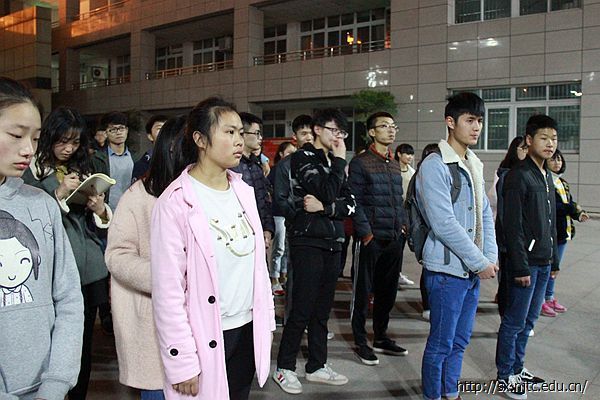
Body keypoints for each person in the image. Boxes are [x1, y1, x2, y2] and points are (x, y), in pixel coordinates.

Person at [151, 98, 275, 400]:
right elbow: (168, 291)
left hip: (247, 329)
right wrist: (181, 360)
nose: (239, 141)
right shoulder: (175, 202)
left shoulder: (243, 190)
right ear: (200, 139)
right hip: (206, 333)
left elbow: (258, 268)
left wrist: (267, 322)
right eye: (229, 132)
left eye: (240, 133)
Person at [0, 77, 84, 399]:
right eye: (16, 135)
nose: (28, 149)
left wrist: (57, 382)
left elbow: (68, 297)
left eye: (35, 138)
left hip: (46, 388)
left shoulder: (41, 204)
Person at [22, 106, 112, 400]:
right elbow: (27, 218)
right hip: (49, 267)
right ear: (49, 137)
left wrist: (100, 209)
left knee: (81, 344)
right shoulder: (31, 168)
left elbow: (96, 224)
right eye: (62, 141)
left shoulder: (83, 165)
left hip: (87, 265)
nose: (69, 149)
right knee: (48, 341)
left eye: (74, 142)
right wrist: (59, 194)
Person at [416, 92, 498, 400]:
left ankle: (451, 392)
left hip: (471, 272)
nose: (477, 127)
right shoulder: (434, 165)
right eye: (470, 120)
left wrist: (490, 257)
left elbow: (484, 214)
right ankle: (433, 395)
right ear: (450, 122)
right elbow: (443, 224)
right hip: (446, 272)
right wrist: (480, 261)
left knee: (460, 341)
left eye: (480, 121)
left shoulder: (473, 162)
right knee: (441, 344)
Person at [273, 109, 355, 394]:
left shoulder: (335, 163)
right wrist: (338, 170)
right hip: (307, 240)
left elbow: (350, 203)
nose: (338, 137)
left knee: (321, 311)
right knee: (301, 308)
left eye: (342, 132)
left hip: (333, 241)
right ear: (318, 129)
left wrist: (325, 208)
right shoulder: (303, 158)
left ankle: (317, 365)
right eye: (334, 130)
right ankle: (284, 367)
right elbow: (328, 190)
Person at [105, 116, 187, 400]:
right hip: (154, 323)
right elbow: (117, 255)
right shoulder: (138, 195)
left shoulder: (204, 193)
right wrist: (164, 278)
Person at [495, 114, 560, 399]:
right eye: (544, 138)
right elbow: (512, 227)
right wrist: (520, 267)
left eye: (554, 139)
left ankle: (518, 368)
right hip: (525, 265)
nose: (550, 144)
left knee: (530, 321)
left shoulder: (546, 176)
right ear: (529, 140)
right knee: (514, 321)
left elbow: (551, 222)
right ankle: (505, 375)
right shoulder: (518, 175)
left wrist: (554, 261)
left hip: (544, 262)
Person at [348, 112, 408, 366]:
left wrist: (403, 227)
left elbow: (398, 199)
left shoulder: (394, 163)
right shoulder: (360, 163)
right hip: (371, 239)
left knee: (388, 291)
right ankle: (361, 341)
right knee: (363, 292)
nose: (391, 130)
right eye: (384, 126)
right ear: (372, 132)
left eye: (393, 126)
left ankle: (381, 337)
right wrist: (366, 233)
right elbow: (355, 201)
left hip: (394, 237)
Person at [273, 114, 313, 326]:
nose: (308, 137)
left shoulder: (323, 161)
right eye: (303, 133)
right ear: (294, 137)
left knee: (316, 282)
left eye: (311, 132)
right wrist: (297, 218)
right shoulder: (286, 165)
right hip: (298, 231)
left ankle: (312, 325)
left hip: (321, 232)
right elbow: (280, 199)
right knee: (296, 279)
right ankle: (293, 323)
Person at [540, 149, 589, 317]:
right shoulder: (545, 181)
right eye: (553, 160)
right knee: (548, 268)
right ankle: (541, 300)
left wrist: (578, 214)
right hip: (551, 232)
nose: (557, 163)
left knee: (555, 269)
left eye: (559, 159)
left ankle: (549, 297)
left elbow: (569, 202)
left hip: (563, 232)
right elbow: (555, 206)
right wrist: (572, 208)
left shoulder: (562, 182)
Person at [489, 136, 528, 318]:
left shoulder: (532, 173)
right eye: (523, 148)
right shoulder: (507, 175)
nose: (527, 151)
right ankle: (507, 318)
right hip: (509, 237)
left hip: (526, 239)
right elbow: (504, 211)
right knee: (507, 279)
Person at [230, 112, 275, 249]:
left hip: (259, 231)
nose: (260, 138)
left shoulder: (256, 165)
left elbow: (264, 199)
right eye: (256, 133)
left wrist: (268, 229)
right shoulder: (231, 167)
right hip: (239, 234)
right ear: (242, 134)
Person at [268, 141, 296, 296]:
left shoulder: (296, 170)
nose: (292, 156)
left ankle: (284, 275)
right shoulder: (276, 170)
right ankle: (274, 278)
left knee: (287, 247)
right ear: (281, 154)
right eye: (289, 153)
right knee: (279, 247)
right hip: (278, 214)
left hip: (291, 214)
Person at [415, 143, 440, 321]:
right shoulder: (420, 175)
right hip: (425, 230)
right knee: (428, 269)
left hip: (436, 231)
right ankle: (427, 305)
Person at [95, 111, 137, 211]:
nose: (118, 132)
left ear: (127, 130)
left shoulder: (136, 157)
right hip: (106, 211)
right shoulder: (98, 159)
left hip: (131, 210)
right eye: (113, 129)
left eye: (121, 128)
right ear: (105, 133)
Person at [394, 143, 416, 287]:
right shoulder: (393, 170)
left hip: (405, 214)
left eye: (411, 154)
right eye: (407, 154)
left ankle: (398, 274)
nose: (409, 157)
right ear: (399, 154)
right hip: (393, 213)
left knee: (400, 247)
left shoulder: (412, 172)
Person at [132, 114, 168, 182]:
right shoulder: (142, 165)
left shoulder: (178, 160)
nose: (164, 132)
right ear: (150, 136)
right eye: (159, 129)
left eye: (167, 128)